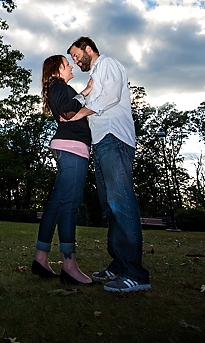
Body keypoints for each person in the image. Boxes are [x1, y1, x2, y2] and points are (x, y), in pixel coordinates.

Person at [63, 36, 151, 292]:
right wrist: (82, 96)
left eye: (76, 54)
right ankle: (119, 264)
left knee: (120, 202)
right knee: (110, 207)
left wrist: (78, 114)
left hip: (115, 137)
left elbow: (110, 97)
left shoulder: (108, 64)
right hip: (101, 142)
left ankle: (135, 273)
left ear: (88, 48)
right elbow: (87, 101)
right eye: (72, 58)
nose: (75, 60)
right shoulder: (95, 77)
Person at [31, 54, 93, 285]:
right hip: (72, 149)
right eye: (67, 65)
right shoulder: (58, 85)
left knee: (57, 205)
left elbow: (70, 113)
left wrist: (88, 103)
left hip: (69, 147)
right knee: (70, 205)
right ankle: (69, 265)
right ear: (57, 70)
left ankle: (41, 258)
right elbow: (68, 112)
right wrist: (87, 93)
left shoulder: (58, 87)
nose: (72, 67)